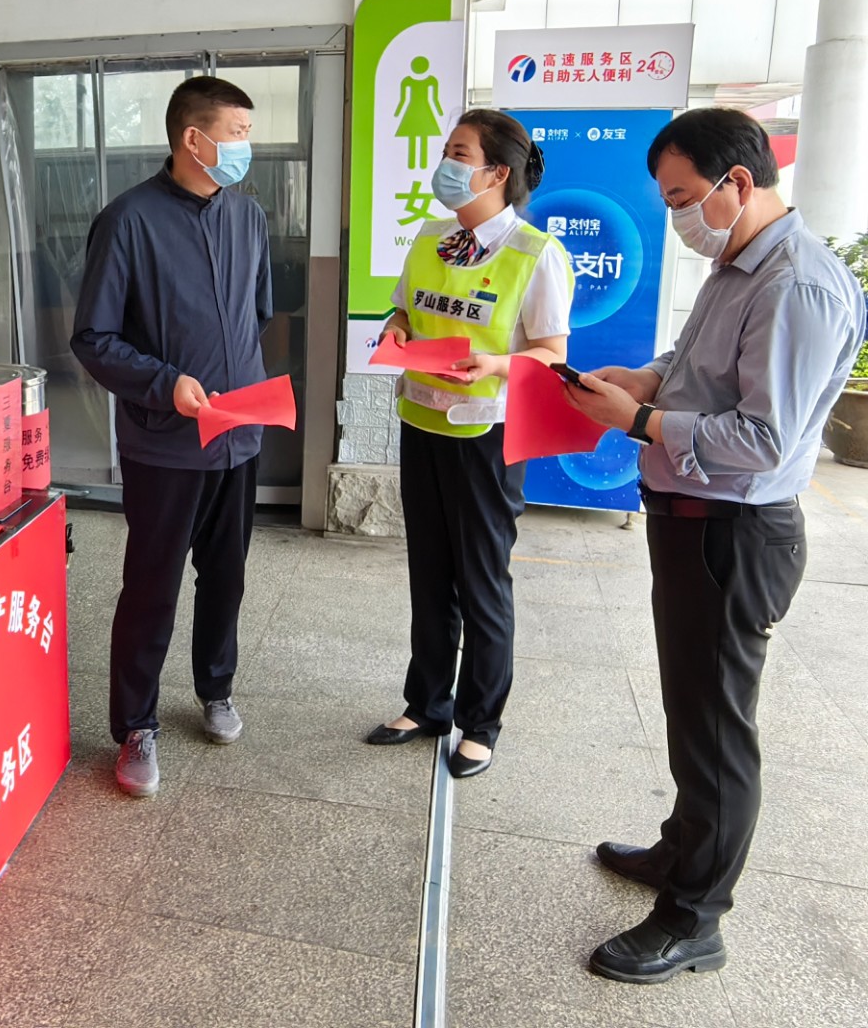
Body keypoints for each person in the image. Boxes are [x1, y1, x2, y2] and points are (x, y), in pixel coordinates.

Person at [566, 108, 866, 984]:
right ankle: (681, 849)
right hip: (691, 521)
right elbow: (699, 361)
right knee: (692, 712)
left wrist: (642, 421)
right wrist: (648, 379)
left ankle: (694, 919)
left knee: (717, 731)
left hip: (734, 535)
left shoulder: (797, 286)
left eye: (681, 198)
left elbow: (765, 441)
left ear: (737, 182)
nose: (677, 218)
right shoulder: (739, 262)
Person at [71, 76, 271, 798]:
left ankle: (216, 688)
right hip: (165, 443)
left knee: (227, 575)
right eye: (238, 133)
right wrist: (166, 383)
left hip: (238, 434)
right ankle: (135, 726)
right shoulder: (127, 221)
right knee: (151, 586)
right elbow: (94, 338)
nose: (246, 147)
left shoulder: (248, 217)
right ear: (194, 138)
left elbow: (255, 314)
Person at [365, 109, 574, 780]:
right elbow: (404, 309)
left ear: (497, 173)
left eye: (459, 153)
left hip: (486, 435)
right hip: (421, 423)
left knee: (481, 581)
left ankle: (481, 723)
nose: (445, 164)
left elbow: (551, 353)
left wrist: (497, 364)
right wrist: (396, 329)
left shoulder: (535, 253)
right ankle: (426, 704)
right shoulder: (432, 237)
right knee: (429, 575)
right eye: (447, 151)